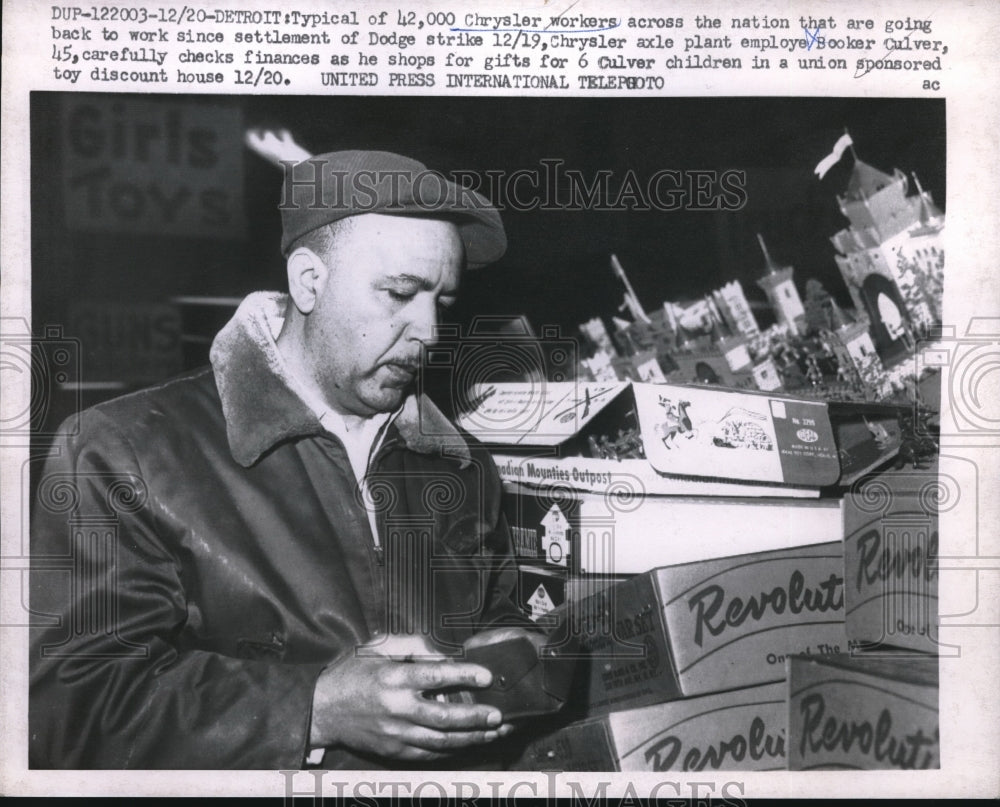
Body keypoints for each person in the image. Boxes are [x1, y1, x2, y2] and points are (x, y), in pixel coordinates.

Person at [29, 150, 542, 769]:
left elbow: (500, 612)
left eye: (443, 302)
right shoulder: (120, 451)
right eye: (400, 293)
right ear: (307, 281)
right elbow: (74, 714)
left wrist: (511, 649)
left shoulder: (462, 466)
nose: (429, 333)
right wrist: (314, 708)